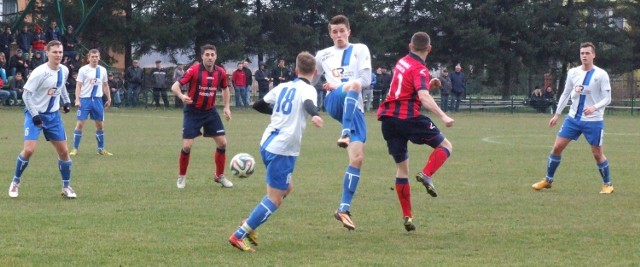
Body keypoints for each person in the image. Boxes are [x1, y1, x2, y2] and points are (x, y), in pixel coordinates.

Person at [228, 51, 324, 252]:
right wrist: (314, 115)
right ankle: (240, 234)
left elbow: (258, 105)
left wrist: (279, 113)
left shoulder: (283, 86)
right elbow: (308, 103)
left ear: (296, 70)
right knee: (275, 198)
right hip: (283, 148)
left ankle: (250, 222)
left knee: (286, 188)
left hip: (267, 142)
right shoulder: (309, 90)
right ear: (315, 72)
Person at [377, 32, 454, 232]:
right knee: (446, 146)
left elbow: (406, 91)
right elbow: (422, 97)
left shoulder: (401, 62)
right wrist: (443, 115)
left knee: (402, 170)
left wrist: (429, 85)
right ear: (429, 48)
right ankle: (427, 174)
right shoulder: (420, 69)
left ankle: (408, 216)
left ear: (410, 46)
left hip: (388, 120)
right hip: (408, 118)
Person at [532, 42, 614, 194]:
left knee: (597, 154)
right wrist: (557, 114)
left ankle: (607, 184)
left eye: (587, 53)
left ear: (593, 55)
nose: (584, 56)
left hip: (593, 120)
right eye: (582, 53)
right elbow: (566, 93)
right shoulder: (573, 72)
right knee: (557, 147)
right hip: (573, 119)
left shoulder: (601, 74)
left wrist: (594, 107)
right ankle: (548, 180)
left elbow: (607, 98)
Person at [314, 14, 372, 230]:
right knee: (353, 86)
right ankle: (345, 132)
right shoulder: (323, 55)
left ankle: (343, 209)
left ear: (349, 31)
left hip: (355, 108)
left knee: (357, 158)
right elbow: (310, 80)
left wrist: (341, 85)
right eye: (334, 31)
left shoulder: (361, 49)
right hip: (335, 101)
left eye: (342, 30)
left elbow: (366, 80)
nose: (338, 35)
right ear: (330, 34)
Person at [8, 40, 75, 198]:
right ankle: (15, 183)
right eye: (55, 52)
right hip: (34, 114)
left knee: (64, 152)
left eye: (60, 52)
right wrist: (35, 115)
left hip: (53, 116)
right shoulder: (40, 72)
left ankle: (66, 187)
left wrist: (66, 102)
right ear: (47, 53)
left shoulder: (64, 70)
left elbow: (61, 86)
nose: (58, 55)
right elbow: (26, 94)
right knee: (29, 150)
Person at [171, 44, 234, 189]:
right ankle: (182, 177)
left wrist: (226, 107)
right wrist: (181, 96)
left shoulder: (221, 72)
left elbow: (225, 89)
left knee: (222, 143)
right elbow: (175, 86)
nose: (210, 57)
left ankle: (219, 176)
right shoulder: (194, 70)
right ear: (202, 56)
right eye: (207, 54)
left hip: (210, 112)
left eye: (212, 54)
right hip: (192, 111)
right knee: (187, 146)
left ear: (216, 57)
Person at [70, 49, 113, 156]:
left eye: (96, 56)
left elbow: (105, 85)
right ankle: (75, 149)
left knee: (100, 125)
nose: (94, 58)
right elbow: (78, 85)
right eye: (92, 56)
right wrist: (77, 99)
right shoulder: (83, 70)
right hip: (85, 100)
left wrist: (109, 98)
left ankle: (101, 149)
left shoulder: (103, 70)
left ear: (99, 58)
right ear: (88, 58)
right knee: (80, 124)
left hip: (97, 100)